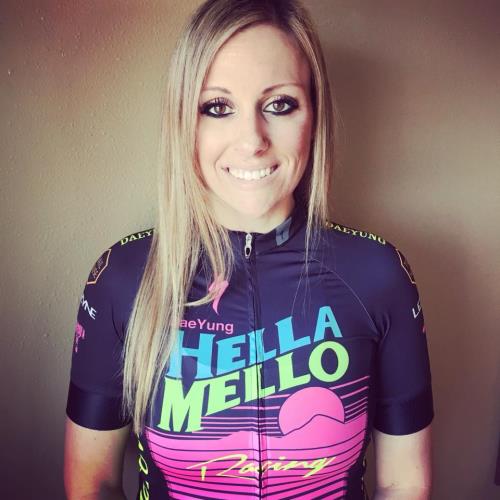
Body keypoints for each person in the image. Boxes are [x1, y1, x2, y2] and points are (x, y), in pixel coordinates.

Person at [64, 1, 433, 499]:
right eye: (218, 107)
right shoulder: (122, 278)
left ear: (313, 116)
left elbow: (403, 481)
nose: (252, 140)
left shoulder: (378, 275)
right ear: (184, 121)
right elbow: (93, 481)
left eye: (279, 104)